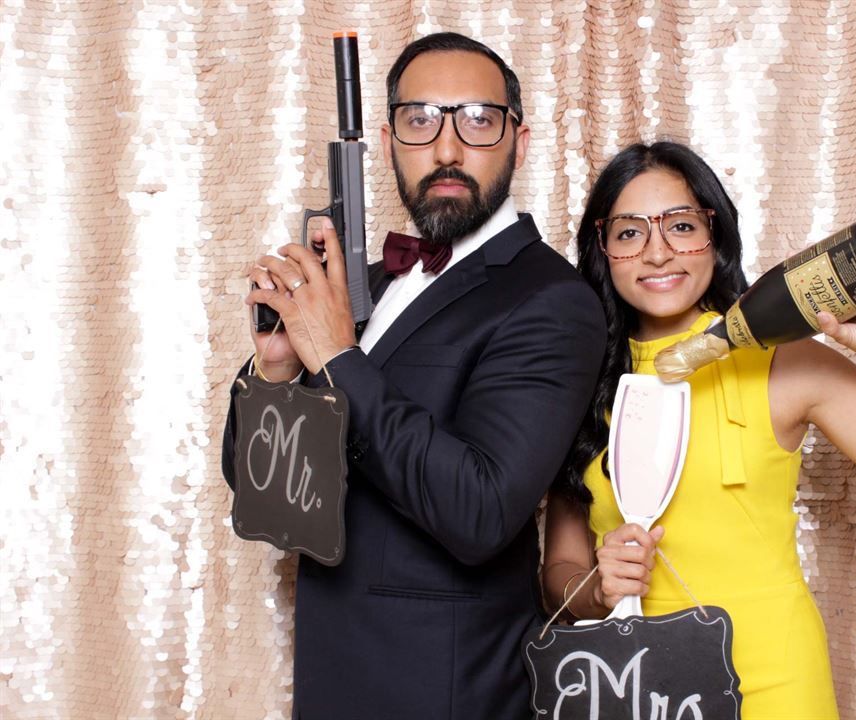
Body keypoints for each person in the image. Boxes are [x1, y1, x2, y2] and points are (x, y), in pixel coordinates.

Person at [541, 141, 856, 718]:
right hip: (635, 688)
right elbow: (558, 571)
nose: (658, 253)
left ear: (717, 237)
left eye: (682, 226)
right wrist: (599, 589)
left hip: (775, 685)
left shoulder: (786, 363)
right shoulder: (577, 375)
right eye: (630, 232)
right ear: (603, 248)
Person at [222, 33, 605, 719]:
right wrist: (277, 375)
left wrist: (338, 359)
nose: (447, 148)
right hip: (333, 680)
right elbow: (266, 493)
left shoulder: (553, 300)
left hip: (446, 691)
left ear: (518, 143)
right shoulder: (361, 287)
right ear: (388, 140)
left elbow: (480, 511)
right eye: (420, 120)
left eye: (478, 120)